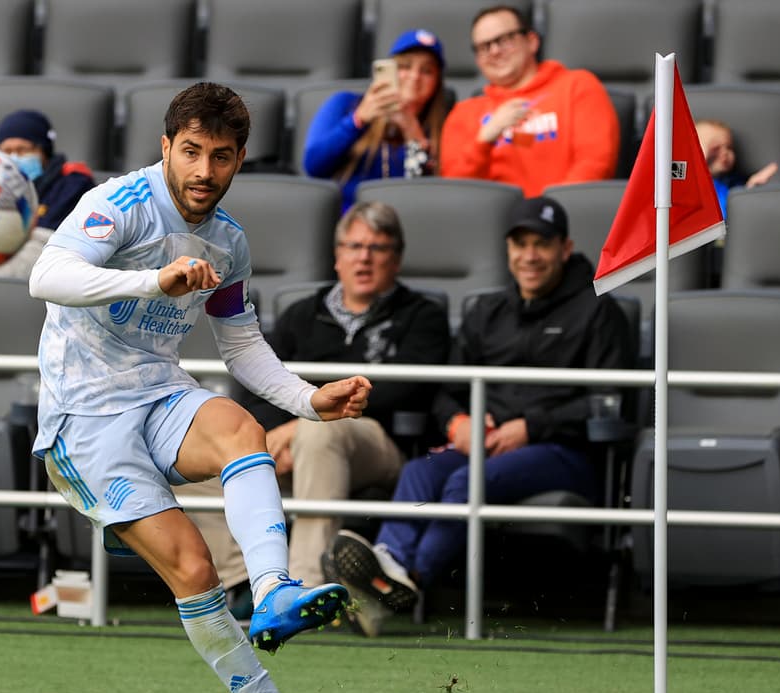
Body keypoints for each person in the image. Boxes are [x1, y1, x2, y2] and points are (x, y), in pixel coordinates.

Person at [29, 82, 375, 693]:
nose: (203, 171)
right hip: (84, 418)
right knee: (192, 570)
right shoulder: (119, 204)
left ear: (240, 158)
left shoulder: (229, 241)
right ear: (165, 147)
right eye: (190, 152)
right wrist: (153, 282)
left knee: (241, 427)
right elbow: (47, 276)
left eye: (220, 156)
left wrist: (309, 401)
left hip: (158, 392)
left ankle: (273, 590)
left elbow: (240, 344)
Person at [322, 196, 632, 616]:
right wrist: (457, 422)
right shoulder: (488, 311)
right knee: (419, 472)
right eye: (520, 244)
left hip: (565, 452)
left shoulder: (598, 310)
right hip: (487, 445)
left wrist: (531, 427)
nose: (529, 256)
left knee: (464, 481)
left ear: (565, 248)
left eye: (541, 244)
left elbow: (609, 401)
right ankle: (387, 565)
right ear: (508, 250)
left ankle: (407, 580)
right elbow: (446, 389)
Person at [177, 201, 450, 612]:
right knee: (189, 465)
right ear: (337, 256)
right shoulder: (301, 314)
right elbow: (257, 386)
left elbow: (411, 390)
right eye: (354, 247)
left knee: (321, 433)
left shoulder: (422, 316)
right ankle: (246, 583)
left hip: (379, 446)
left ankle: (302, 589)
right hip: (294, 443)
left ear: (396, 259)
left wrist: (303, 425)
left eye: (377, 248)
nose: (363, 258)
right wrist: (275, 436)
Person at [439, 4, 619, 197]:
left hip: (563, 212)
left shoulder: (577, 86)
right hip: (490, 215)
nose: (494, 51)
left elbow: (595, 164)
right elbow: (456, 192)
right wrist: (484, 140)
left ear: (532, 41)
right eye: (484, 47)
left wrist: (549, 210)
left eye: (504, 40)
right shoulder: (463, 113)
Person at [303, 28, 449, 209]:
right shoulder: (345, 103)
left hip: (407, 220)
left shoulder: (443, 126)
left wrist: (414, 135)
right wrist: (358, 120)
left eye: (427, 71)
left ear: (437, 83)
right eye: (405, 66)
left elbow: (427, 198)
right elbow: (313, 166)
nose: (415, 76)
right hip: (348, 218)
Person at [0, 109, 98, 280]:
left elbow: (47, 239)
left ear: (43, 151)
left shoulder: (73, 182)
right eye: (6, 151)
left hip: (45, 263)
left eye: (23, 150)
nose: (14, 157)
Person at [695, 118, 778, 218]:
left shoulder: (733, 183)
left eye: (729, 147)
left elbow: (741, 207)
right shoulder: (685, 184)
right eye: (715, 148)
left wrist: (752, 188)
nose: (725, 152)